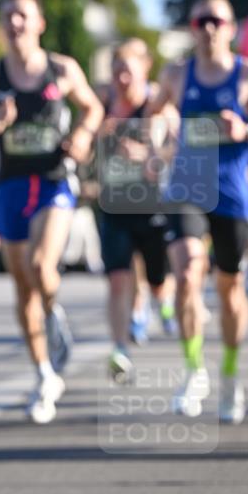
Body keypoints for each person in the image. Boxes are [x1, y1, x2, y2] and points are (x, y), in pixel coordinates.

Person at [0, 0, 103, 423]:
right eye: (7, 17)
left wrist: (83, 137)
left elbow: (93, 109)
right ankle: (43, 375)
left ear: (40, 23)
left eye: (22, 15)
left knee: (41, 265)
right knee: (22, 288)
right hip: (9, 187)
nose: (14, 23)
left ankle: (54, 311)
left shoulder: (62, 69)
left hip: (55, 182)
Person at [152, 0, 248, 422]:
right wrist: (158, 134)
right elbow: (153, 115)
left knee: (230, 292)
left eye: (217, 21)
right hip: (186, 189)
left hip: (229, 194)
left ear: (232, 28)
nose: (208, 28)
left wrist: (244, 127)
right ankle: (194, 371)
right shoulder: (175, 73)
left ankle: (229, 375)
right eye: (200, 22)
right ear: (192, 29)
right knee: (188, 273)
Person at [97, 38, 177, 383]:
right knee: (118, 279)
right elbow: (83, 135)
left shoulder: (155, 105)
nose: (122, 79)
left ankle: (165, 303)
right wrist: (92, 137)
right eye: (116, 72)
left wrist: (150, 157)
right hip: (114, 204)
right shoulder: (103, 104)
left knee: (157, 280)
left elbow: (181, 142)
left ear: (145, 69)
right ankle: (120, 348)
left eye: (127, 71)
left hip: (153, 205)